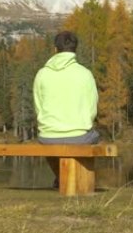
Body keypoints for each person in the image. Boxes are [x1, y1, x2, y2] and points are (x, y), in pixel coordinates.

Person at [33, 31, 100, 188]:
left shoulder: (42, 74)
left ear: (55, 49)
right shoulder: (85, 74)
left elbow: (38, 108)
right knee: (94, 136)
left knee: (50, 140)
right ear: (75, 50)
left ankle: (61, 178)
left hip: (48, 137)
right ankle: (77, 181)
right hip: (79, 136)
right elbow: (92, 109)